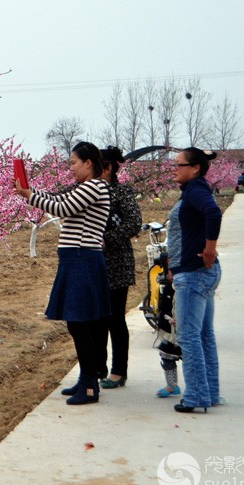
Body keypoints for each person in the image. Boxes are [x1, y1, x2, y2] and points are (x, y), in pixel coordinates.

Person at [15, 141, 111, 405]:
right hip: (76, 261)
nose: (71, 168)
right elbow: (59, 199)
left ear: (88, 163)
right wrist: (31, 190)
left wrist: (28, 195)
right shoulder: (87, 187)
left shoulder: (94, 186)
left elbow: (62, 208)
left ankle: (90, 385)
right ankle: (86, 378)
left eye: (73, 163)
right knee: (78, 323)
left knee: (81, 323)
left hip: (82, 260)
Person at [167, 147, 222, 413]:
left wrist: (210, 248)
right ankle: (210, 393)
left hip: (195, 274)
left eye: (179, 164)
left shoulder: (196, 190)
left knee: (189, 337)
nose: (174, 168)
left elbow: (214, 213)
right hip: (195, 271)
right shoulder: (194, 189)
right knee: (204, 336)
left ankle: (196, 396)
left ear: (195, 167)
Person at [95, 147, 142, 389]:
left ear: (109, 167)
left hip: (118, 262)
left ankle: (118, 370)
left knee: (115, 318)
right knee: (97, 318)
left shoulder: (121, 192)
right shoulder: (90, 191)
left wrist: (108, 238)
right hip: (95, 262)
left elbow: (135, 223)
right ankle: (99, 367)